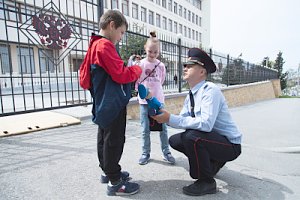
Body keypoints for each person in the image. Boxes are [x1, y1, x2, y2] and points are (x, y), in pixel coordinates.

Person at [152, 48, 242, 196]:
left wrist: (169, 118)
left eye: (190, 65)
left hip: (230, 145)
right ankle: (212, 163)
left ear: (202, 72)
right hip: (213, 139)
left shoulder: (210, 90)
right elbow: (183, 120)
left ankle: (206, 181)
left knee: (191, 137)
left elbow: (206, 124)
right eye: (185, 65)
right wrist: (163, 117)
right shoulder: (191, 95)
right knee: (175, 140)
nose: (185, 68)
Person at [79, 10, 142, 196]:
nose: (121, 38)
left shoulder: (94, 45)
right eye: (121, 32)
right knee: (114, 140)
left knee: (104, 137)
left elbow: (84, 79)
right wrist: (136, 70)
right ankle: (115, 182)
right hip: (112, 101)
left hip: (101, 99)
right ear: (112, 25)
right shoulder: (105, 46)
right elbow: (121, 75)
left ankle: (108, 171)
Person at [135, 31, 175, 165]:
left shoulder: (161, 66)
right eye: (150, 51)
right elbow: (137, 81)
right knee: (145, 129)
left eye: (155, 52)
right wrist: (140, 93)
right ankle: (145, 153)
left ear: (159, 52)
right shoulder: (140, 64)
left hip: (158, 101)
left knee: (163, 128)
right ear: (146, 49)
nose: (152, 54)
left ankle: (166, 152)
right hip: (144, 102)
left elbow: (161, 81)